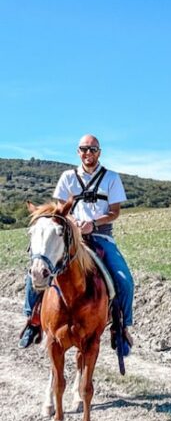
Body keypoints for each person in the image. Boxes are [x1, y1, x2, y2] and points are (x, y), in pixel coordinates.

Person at [20, 135, 134, 350]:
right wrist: (74, 223)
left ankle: (121, 328)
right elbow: (61, 209)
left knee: (124, 279)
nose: (88, 153)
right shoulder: (67, 177)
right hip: (70, 236)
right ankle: (32, 321)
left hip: (100, 235)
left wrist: (93, 223)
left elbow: (114, 211)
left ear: (99, 152)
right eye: (84, 149)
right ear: (78, 152)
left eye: (93, 149)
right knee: (38, 271)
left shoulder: (111, 178)